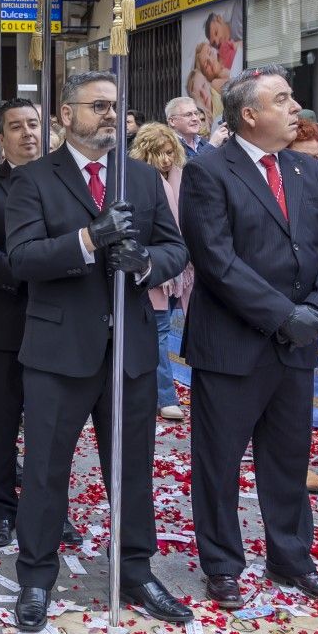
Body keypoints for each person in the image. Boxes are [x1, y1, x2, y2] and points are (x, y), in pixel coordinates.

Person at [4, 74, 193, 631]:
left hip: (129, 347)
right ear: (66, 114)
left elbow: (174, 246)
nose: (111, 115)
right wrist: (89, 240)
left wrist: (144, 265)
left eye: (117, 105)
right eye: (99, 106)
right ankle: (36, 577)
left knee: (131, 469)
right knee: (44, 471)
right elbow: (21, 258)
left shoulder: (139, 177)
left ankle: (135, 570)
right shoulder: (34, 179)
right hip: (59, 349)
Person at [180, 64, 318, 609]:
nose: (295, 106)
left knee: (288, 456)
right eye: (282, 99)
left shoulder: (307, 170)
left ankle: (291, 557)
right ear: (250, 115)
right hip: (234, 343)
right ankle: (223, 563)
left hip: (298, 340)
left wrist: (317, 312)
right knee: (220, 460)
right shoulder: (210, 170)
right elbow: (217, 260)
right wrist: (283, 314)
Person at [0, 99, 69, 553]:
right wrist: (21, 269)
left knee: (53, 426)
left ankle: (49, 512)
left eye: (34, 125)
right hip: (4, 319)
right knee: (3, 422)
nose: (27, 134)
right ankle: (0, 510)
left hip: (58, 321)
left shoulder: (65, 181)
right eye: (16, 127)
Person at [129, 123, 191, 423]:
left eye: (169, 152)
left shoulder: (182, 177)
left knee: (162, 332)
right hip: (152, 267)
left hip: (181, 266)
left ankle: (158, 394)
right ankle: (166, 396)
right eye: (159, 153)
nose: (166, 159)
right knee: (160, 332)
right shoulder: (139, 180)